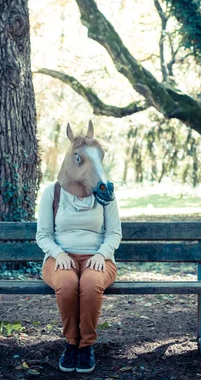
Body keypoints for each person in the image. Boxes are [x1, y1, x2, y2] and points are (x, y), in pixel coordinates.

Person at [36, 121, 122, 373]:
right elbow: (43, 235)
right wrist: (58, 253)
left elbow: (114, 233)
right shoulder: (52, 194)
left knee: (91, 284)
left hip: (98, 258)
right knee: (66, 284)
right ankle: (71, 343)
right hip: (60, 258)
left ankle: (86, 346)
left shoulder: (105, 195)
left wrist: (102, 254)